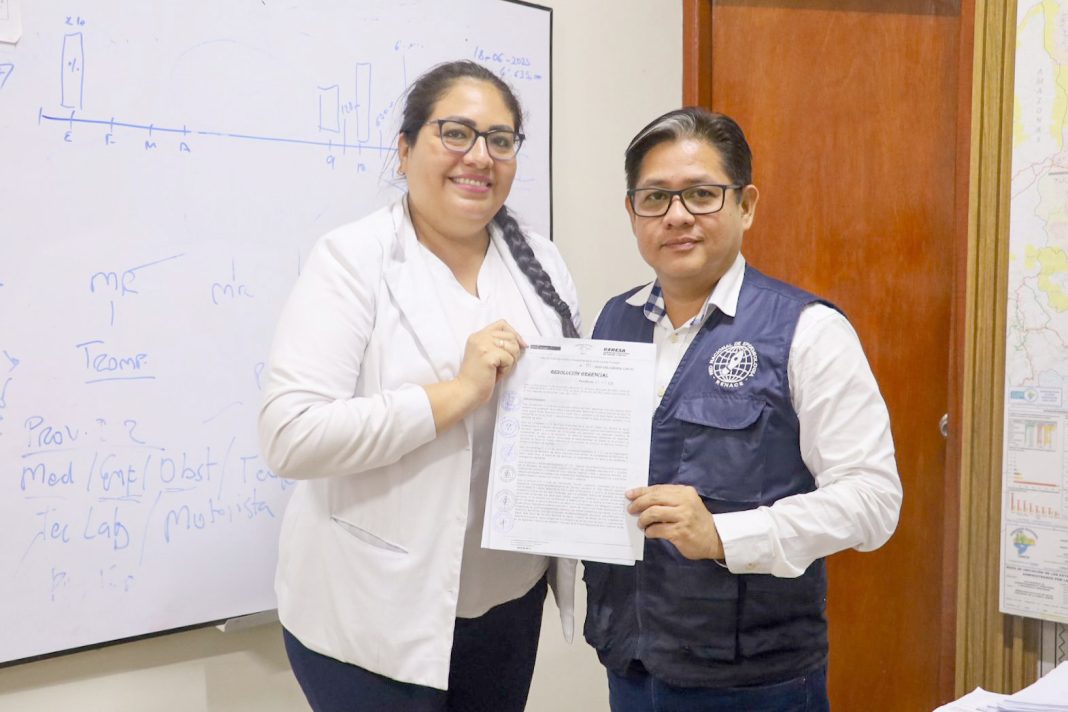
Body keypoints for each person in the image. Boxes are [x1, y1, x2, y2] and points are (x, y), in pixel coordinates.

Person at [258, 60, 580, 712]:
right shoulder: (352, 260)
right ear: (405, 150)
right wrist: (456, 394)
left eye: (500, 139)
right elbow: (291, 436)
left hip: (506, 606)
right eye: (455, 133)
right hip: (372, 615)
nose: (480, 156)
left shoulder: (541, 262)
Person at [582, 107, 902, 711]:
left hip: (756, 680)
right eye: (655, 197)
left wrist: (724, 535)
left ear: (746, 205)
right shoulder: (611, 321)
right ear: (632, 212)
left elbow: (874, 499)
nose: (677, 215)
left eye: (702, 194)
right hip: (630, 662)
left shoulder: (808, 331)